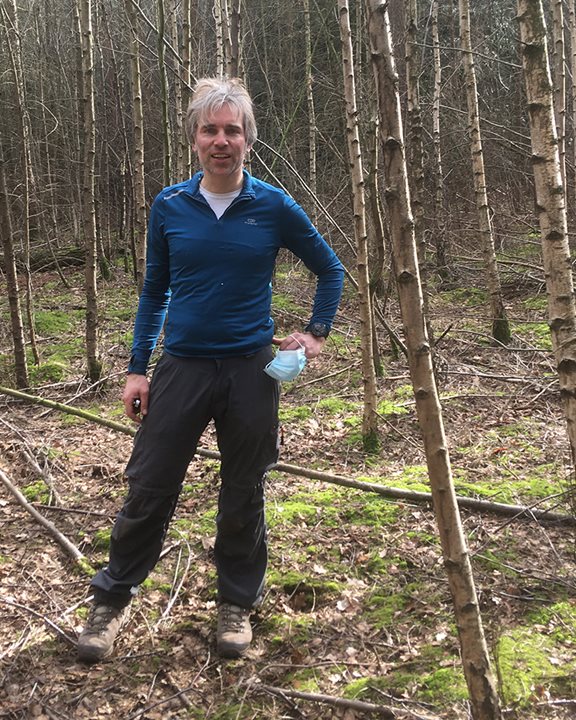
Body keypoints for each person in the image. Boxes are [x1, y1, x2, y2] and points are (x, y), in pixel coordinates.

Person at [77, 77, 344, 662]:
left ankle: (234, 604)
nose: (221, 140)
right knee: (149, 486)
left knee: (244, 489)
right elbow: (154, 292)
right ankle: (111, 600)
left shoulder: (272, 206)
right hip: (181, 369)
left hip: (252, 370)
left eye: (232, 130)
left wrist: (316, 332)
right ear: (194, 138)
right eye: (210, 129)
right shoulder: (171, 205)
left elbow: (331, 269)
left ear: (248, 138)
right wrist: (136, 368)